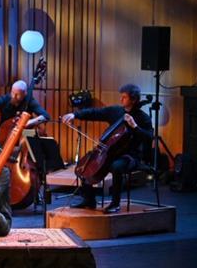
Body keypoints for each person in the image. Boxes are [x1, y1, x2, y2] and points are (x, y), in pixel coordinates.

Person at [61, 83, 153, 213]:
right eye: (121, 97)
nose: (121, 100)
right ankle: (89, 200)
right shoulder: (117, 111)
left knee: (116, 166)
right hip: (109, 152)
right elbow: (95, 113)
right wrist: (75, 115)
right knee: (84, 164)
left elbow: (149, 137)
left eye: (124, 97)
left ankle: (115, 204)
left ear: (134, 99)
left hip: (130, 156)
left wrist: (135, 127)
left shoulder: (143, 118)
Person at [0, 80, 50, 158]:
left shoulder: (30, 101)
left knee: (36, 149)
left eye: (18, 94)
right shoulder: (5, 99)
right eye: (13, 92)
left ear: (25, 93)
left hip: (24, 135)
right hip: (3, 135)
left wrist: (28, 122)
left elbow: (46, 116)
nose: (14, 96)